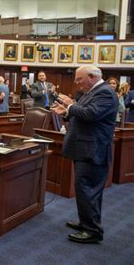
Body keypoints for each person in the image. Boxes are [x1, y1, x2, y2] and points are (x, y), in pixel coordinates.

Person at [52, 65, 117, 244]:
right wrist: (67, 111)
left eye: (79, 79)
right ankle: (85, 223)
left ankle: (92, 231)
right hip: (85, 149)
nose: (76, 82)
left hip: (93, 150)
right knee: (83, 189)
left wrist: (70, 105)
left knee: (88, 190)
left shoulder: (104, 92)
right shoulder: (92, 92)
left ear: (91, 76)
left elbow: (91, 114)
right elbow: (83, 115)